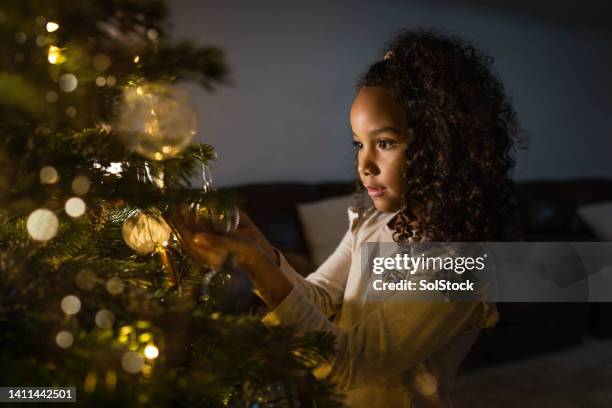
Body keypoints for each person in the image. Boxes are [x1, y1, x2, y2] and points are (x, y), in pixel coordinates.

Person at [173, 29, 523, 407]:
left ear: (440, 148)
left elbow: (349, 363)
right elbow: (320, 298)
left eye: (385, 143)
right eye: (359, 143)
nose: (364, 164)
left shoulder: (455, 266)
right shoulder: (369, 224)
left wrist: (261, 272)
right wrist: (262, 248)